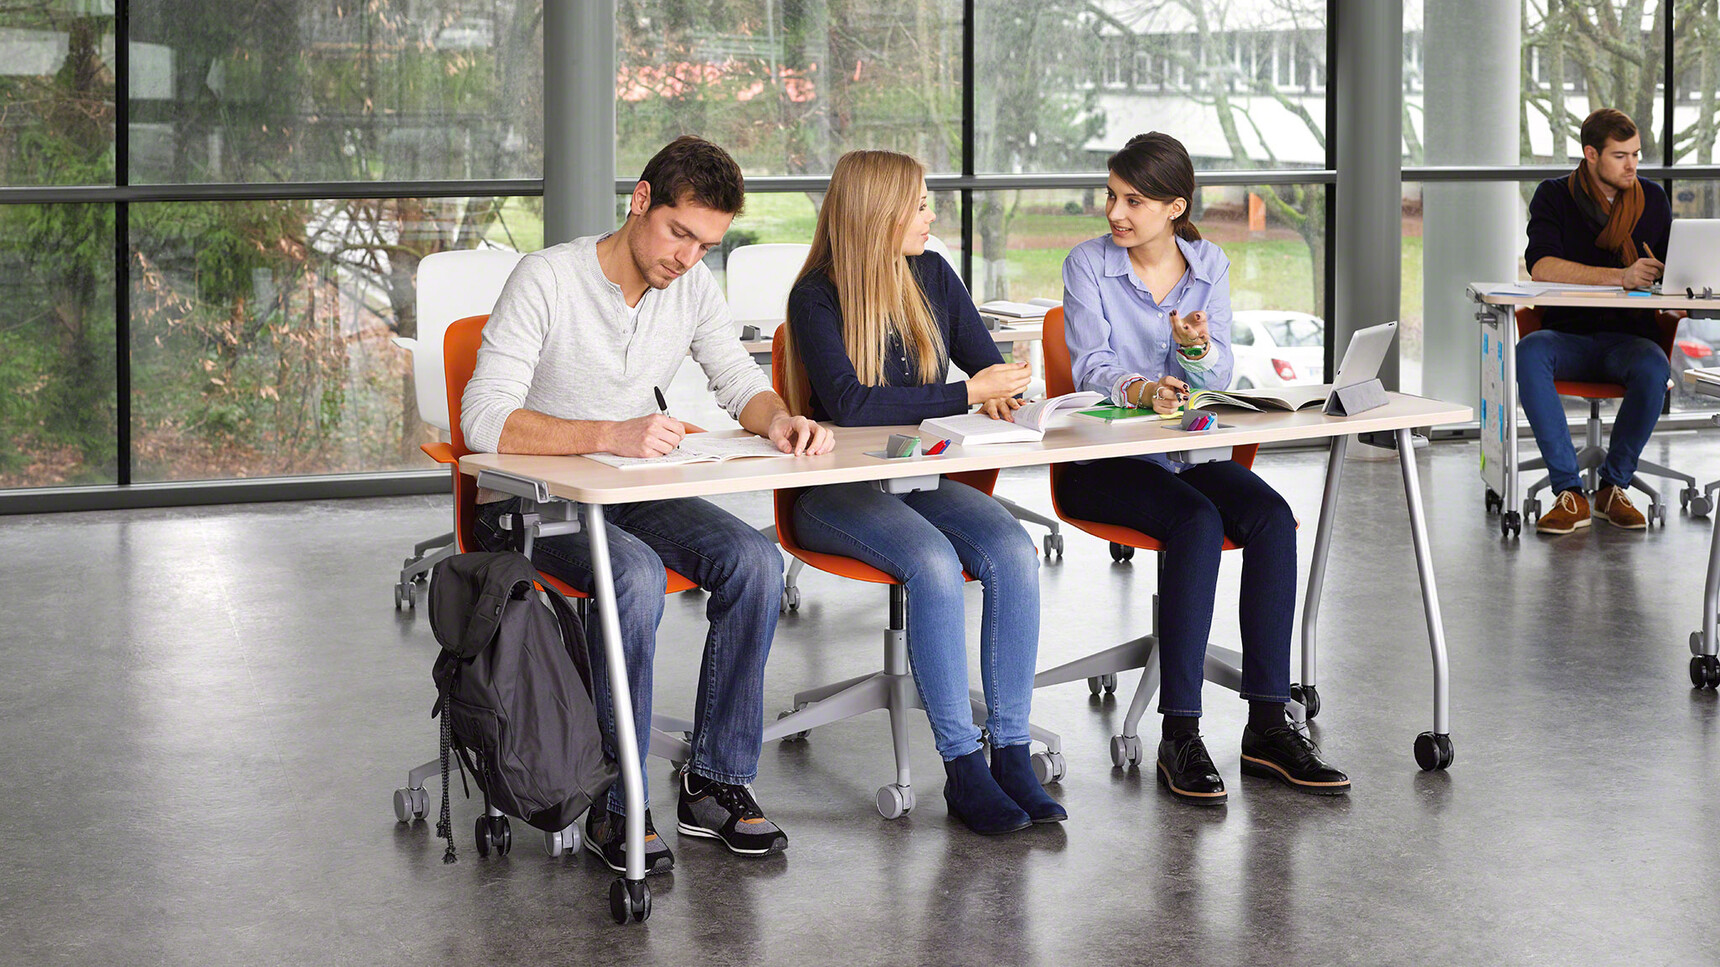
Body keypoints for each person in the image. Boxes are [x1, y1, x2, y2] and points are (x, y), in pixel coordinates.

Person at [461, 135, 834, 874]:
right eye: (679, 233)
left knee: (755, 559)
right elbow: (483, 420)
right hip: (537, 507)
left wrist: (779, 417)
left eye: (707, 245)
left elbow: (735, 377)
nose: (688, 257)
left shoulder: (690, 286)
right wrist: (612, 432)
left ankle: (716, 779)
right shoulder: (547, 279)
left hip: (631, 491)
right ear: (640, 201)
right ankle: (614, 797)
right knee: (628, 575)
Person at [1056, 132, 1349, 806]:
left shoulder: (1208, 263)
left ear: (1174, 205)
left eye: (1133, 200)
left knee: (1273, 518)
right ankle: (1180, 733)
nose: (1114, 212)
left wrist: (1193, 352)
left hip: (1190, 449)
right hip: (1105, 460)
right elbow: (1090, 365)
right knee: (1196, 520)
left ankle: (1269, 727)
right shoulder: (1089, 266)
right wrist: (1140, 389)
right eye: (1111, 195)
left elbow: (1217, 373)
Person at [782, 149, 1065, 834]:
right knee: (934, 563)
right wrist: (967, 392)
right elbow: (848, 405)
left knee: (1013, 551)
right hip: (832, 492)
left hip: (917, 477)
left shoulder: (933, 274)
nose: (931, 216)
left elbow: (989, 368)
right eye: (918, 204)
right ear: (878, 213)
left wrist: (1005, 394)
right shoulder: (816, 294)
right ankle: (963, 768)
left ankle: (1012, 752)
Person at [1520, 108, 1674, 535]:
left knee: (1653, 365)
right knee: (1530, 351)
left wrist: (1670, 277)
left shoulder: (1654, 201)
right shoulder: (1554, 195)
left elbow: (1673, 270)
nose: (1632, 165)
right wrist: (1620, 277)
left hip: (1628, 340)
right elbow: (1543, 267)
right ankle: (1569, 492)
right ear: (1591, 154)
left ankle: (1613, 487)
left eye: (1637, 155)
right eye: (1620, 156)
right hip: (1566, 336)